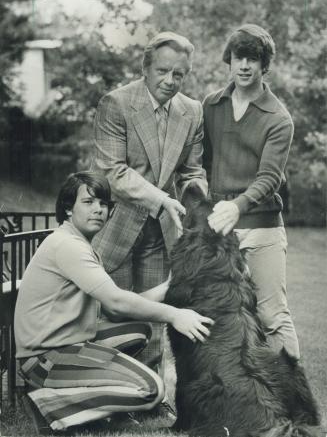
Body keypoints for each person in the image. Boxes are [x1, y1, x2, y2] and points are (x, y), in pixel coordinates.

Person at [14, 171, 213, 435]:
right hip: (44, 360)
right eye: (88, 202)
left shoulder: (76, 241)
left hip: (63, 345)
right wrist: (176, 315)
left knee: (139, 330)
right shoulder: (67, 246)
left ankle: (80, 397)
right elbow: (117, 302)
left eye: (103, 204)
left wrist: (169, 288)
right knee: (151, 389)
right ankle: (50, 403)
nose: (98, 210)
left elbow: (111, 308)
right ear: (68, 208)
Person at [91, 31, 208, 372]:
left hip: (159, 233)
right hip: (115, 228)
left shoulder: (193, 111)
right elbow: (113, 171)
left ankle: (151, 399)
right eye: (163, 71)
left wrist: (200, 205)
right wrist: (161, 198)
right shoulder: (116, 103)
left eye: (179, 74)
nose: (171, 81)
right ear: (146, 67)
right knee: (115, 316)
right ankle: (112, 392)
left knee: (155, 319)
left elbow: (192, 172)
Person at [203, 24, 300, 360]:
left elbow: (270, 177)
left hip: (262, 227)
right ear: (228, 61)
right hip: (219, 228)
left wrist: (237, 206)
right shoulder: (211, 105)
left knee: (272, 316)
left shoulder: (278, 118)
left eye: (252, 59)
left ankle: (294, 401)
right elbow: (203, 164)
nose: (244, 65)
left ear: (264, 65)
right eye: (238, 57)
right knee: (220, 315)